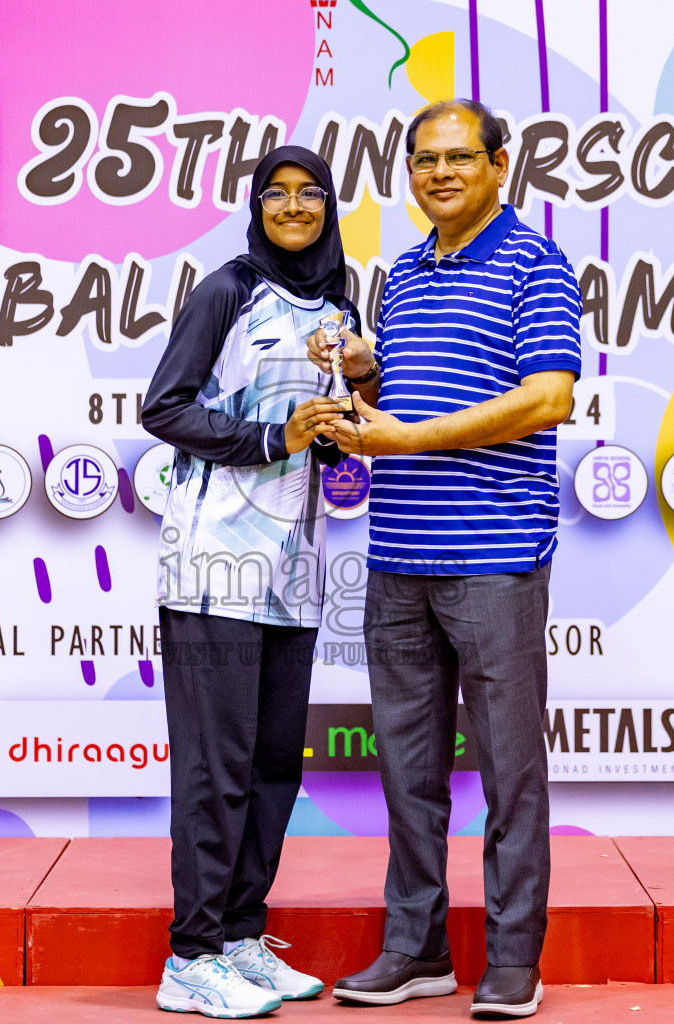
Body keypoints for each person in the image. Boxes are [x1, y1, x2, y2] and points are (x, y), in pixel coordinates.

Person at [310, 99, 581, 1019]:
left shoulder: (535, 264)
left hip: (495, 558)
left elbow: (547, 399)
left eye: (460, 158)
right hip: (398, 557)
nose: (440, 174)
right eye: (424, 161)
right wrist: (361, 372)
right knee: (407, 771)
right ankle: (415, 949)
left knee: (509, 772)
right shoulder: (405, 274)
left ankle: (512, 960)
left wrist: (410, 436)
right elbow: (406, 394)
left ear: (500, 165)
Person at [141, 145, 357, 1019]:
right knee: (215, 768)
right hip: (212, 568)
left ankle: (238, 938)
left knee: (272, 767)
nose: (295, 207)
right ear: (256, 204)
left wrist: (339, 427)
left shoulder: (341, 302)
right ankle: (188, 957)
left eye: (311, 195)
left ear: (330, 206)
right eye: (278, 194)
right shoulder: (228, 289)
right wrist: (274, 436)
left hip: (294, 572)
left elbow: (327, 433)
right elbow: (164, 406)